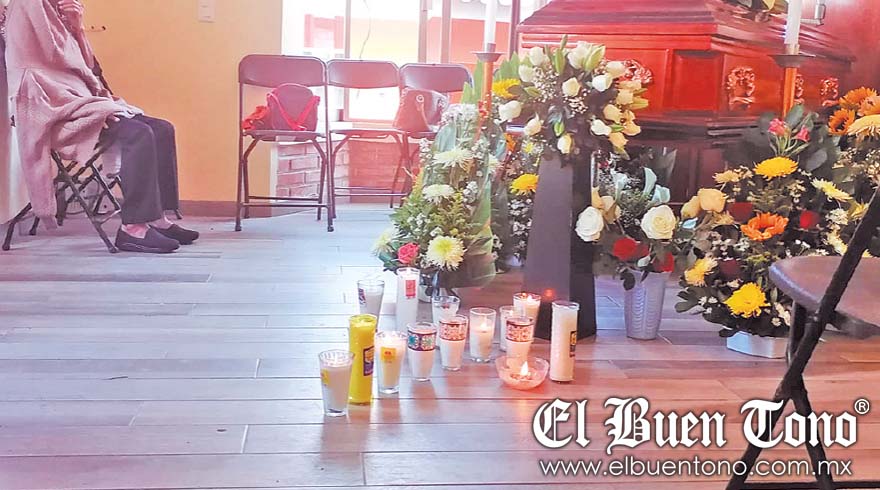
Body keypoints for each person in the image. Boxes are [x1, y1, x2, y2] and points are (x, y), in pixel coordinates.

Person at [3, 0, 198, 253]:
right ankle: (133, 229)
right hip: (51, 107)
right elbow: (52, 59)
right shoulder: (28, 6)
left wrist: (77, 27)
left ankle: (157, 218)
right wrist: (87, 103)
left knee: (162, 129)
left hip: (79, 99)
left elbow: (88, 67)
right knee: (138, 134)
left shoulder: (57, 11)